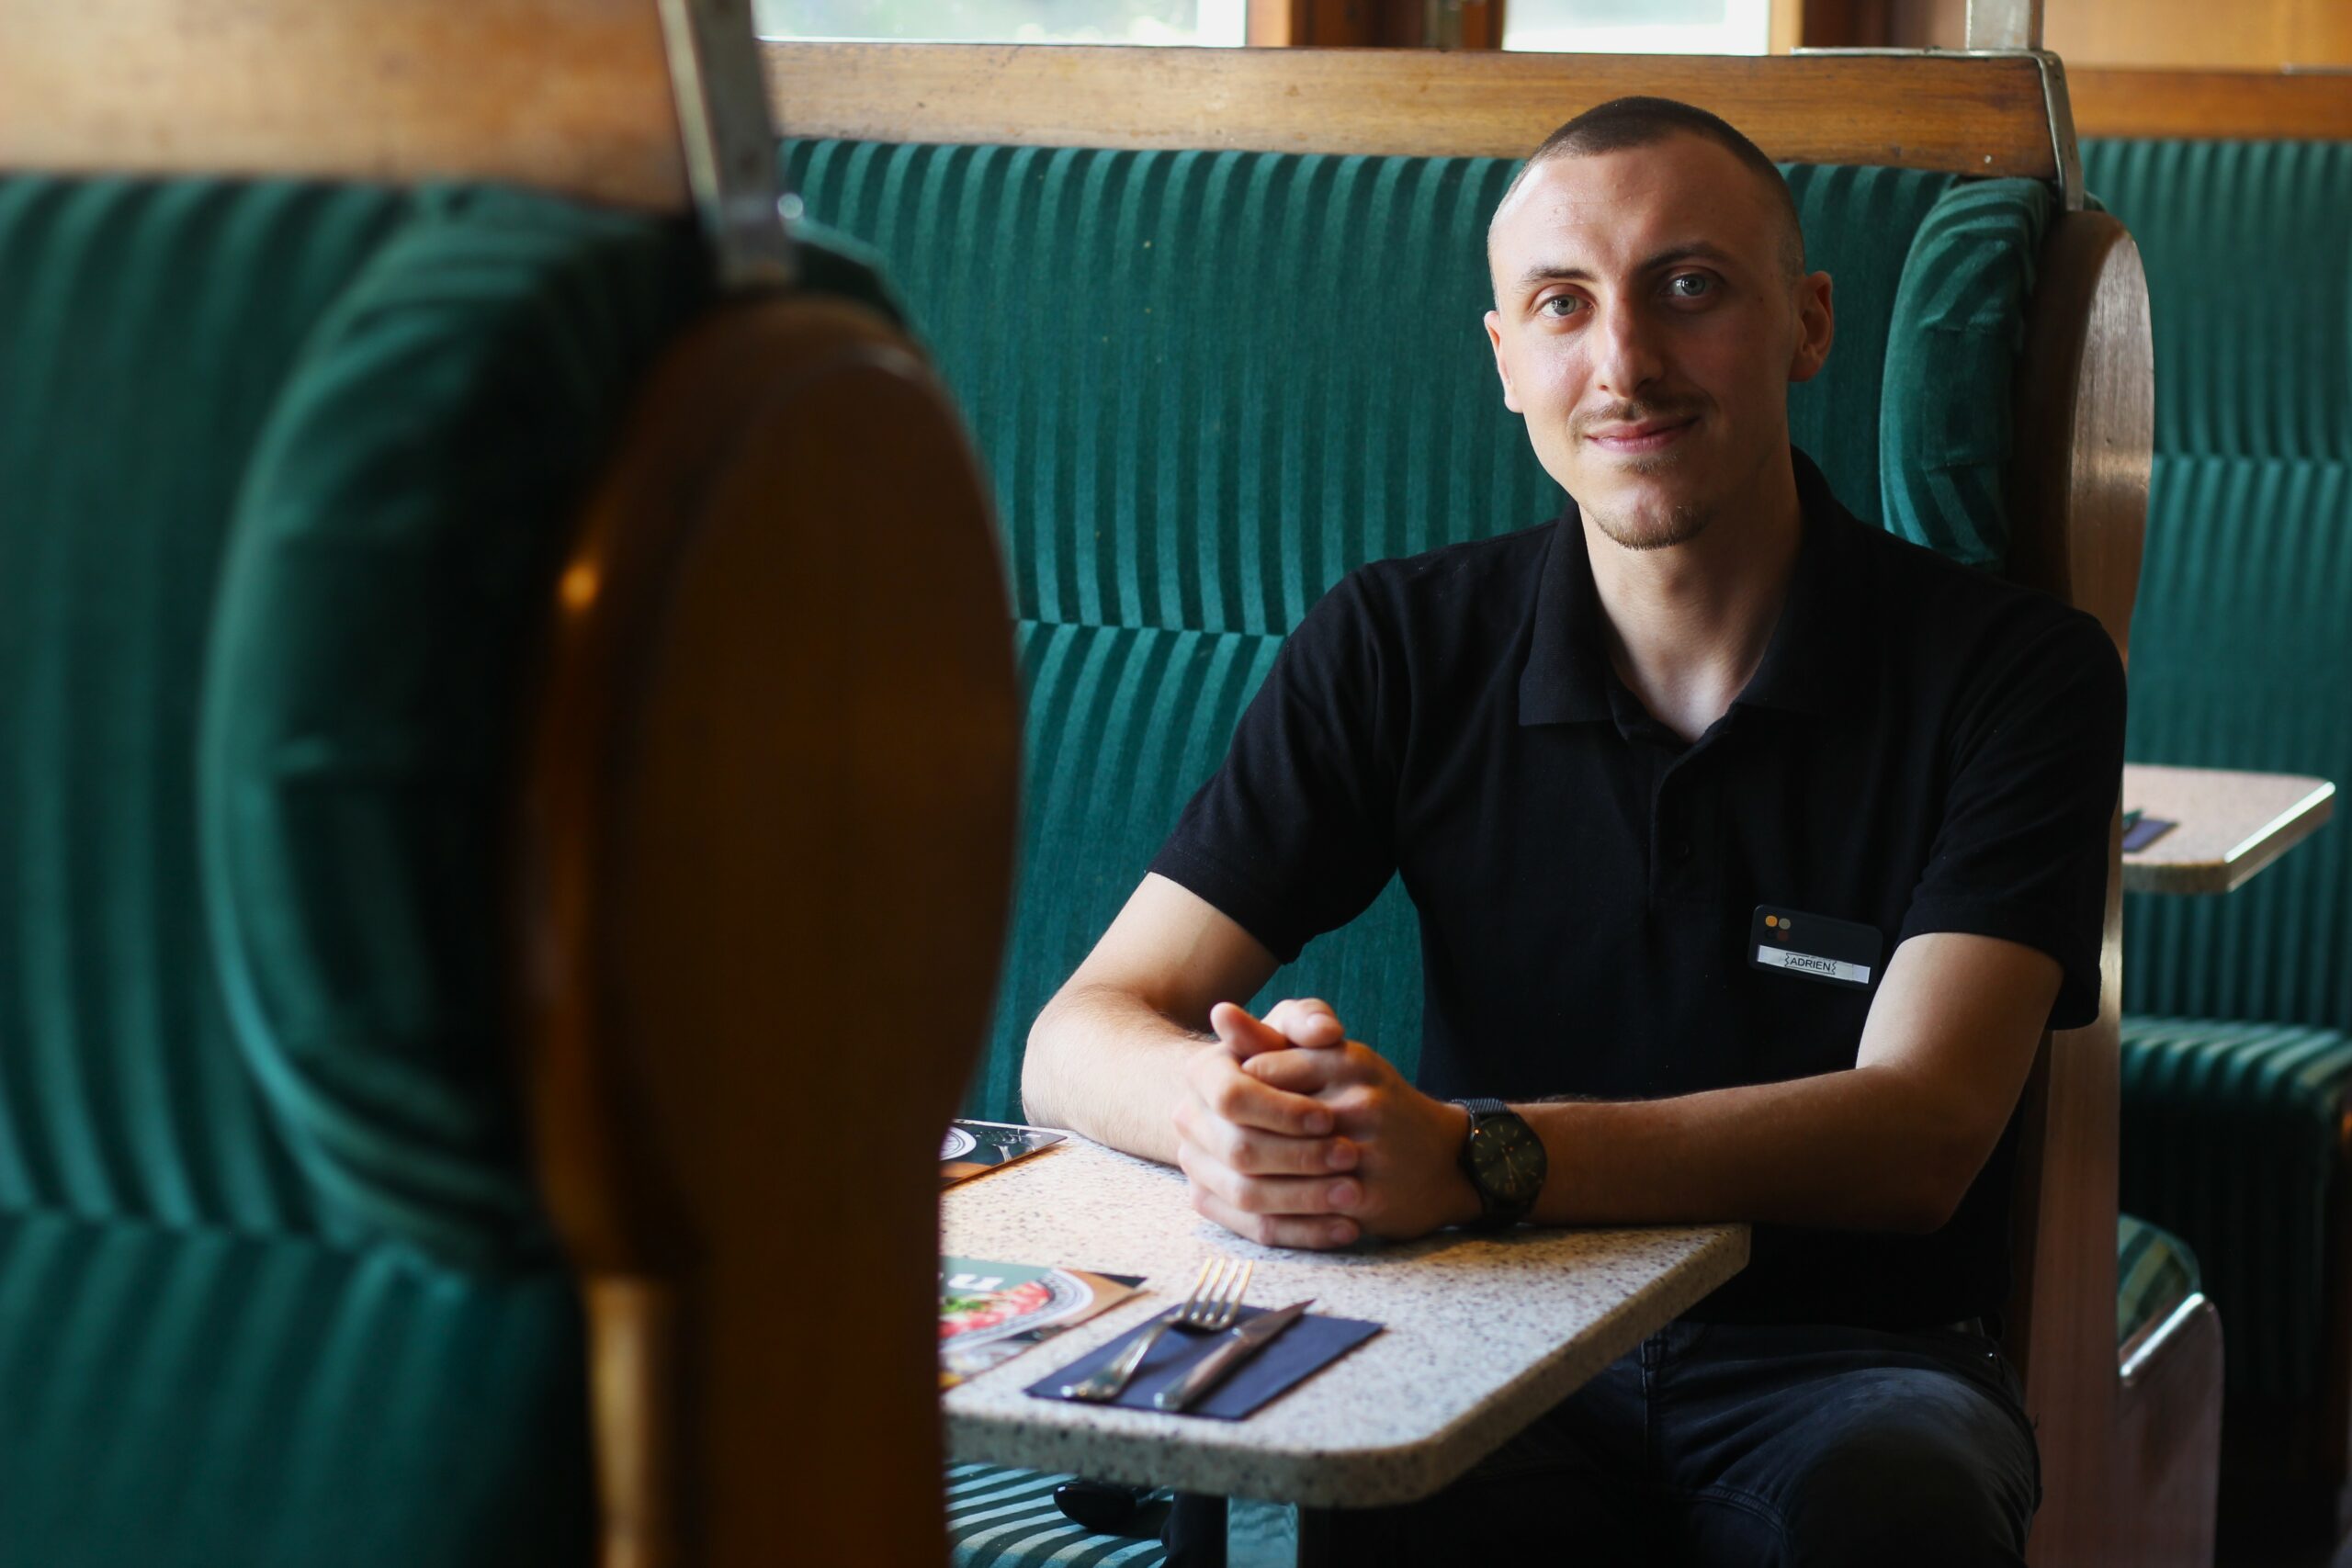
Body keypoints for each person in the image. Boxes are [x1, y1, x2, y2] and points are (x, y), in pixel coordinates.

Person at [1022, 95, 2122, 1565]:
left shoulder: (2017, 674)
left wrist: (1478, 1158)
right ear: (1505, 360)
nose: (1624, 363)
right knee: (1390, 1509)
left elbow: (1919, 1132)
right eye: (1562, 304)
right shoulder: (1397, 643)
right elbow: (1077, 1036)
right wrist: (1239, 1120)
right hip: (1488, 1325)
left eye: (1689, 287)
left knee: (1893, 1500)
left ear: (1808, 324)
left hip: (1848, 1356)